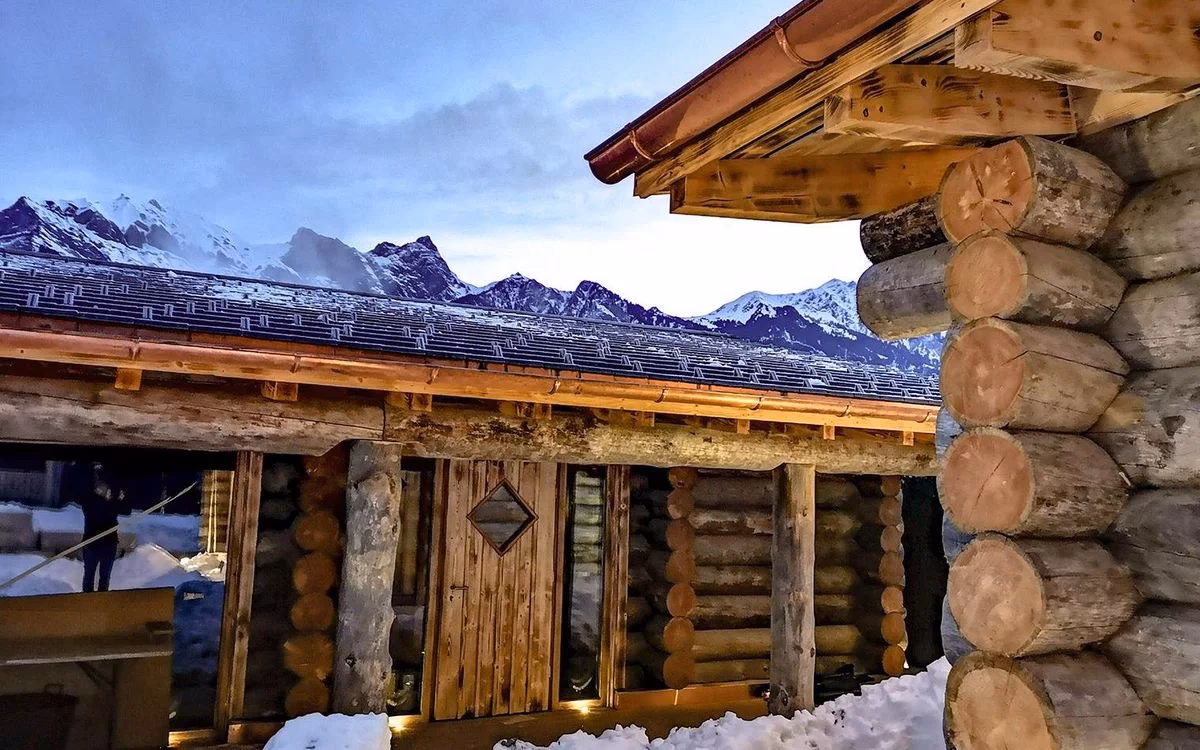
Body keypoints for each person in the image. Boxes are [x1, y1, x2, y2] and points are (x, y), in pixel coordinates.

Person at [79, 462, 124, 592]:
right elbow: (101, 513)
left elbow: (124, 509)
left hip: (109, 543)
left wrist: (116, 499)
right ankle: (87, 603)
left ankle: (100, 602)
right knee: (89, 576)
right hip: (92, 542)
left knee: (104, 578)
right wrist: (112, 501)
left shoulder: (112, 500)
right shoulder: (90, 501)